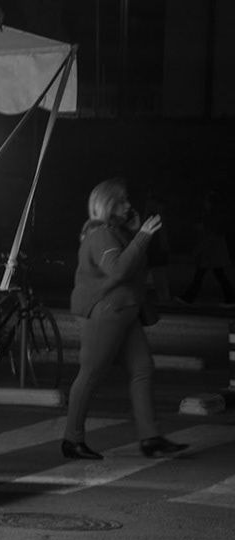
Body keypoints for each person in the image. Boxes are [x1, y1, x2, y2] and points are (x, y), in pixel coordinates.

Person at [61, 178, 187, 459]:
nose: (128, 205)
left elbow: (133, 265)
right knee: (91, 373)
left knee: (143, 368)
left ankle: (150, 438)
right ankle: (72, 439)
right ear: (107, 206)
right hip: (107, 312)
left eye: (127, 200)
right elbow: (118, 270)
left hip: (126, 312)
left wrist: (134, 233)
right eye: (121, 201)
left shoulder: (116, 233)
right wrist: (141, 235)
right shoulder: (100, 235)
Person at [183, 191, 233, 305]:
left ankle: (188, 298)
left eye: (206, 200)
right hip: (214, 253)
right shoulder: (216, 217)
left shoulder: (210, 217)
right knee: (216, 275)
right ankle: (188, 297)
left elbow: (208, 237)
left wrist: (197, 250)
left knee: (201, 276)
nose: (203, 202)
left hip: (211, 253)